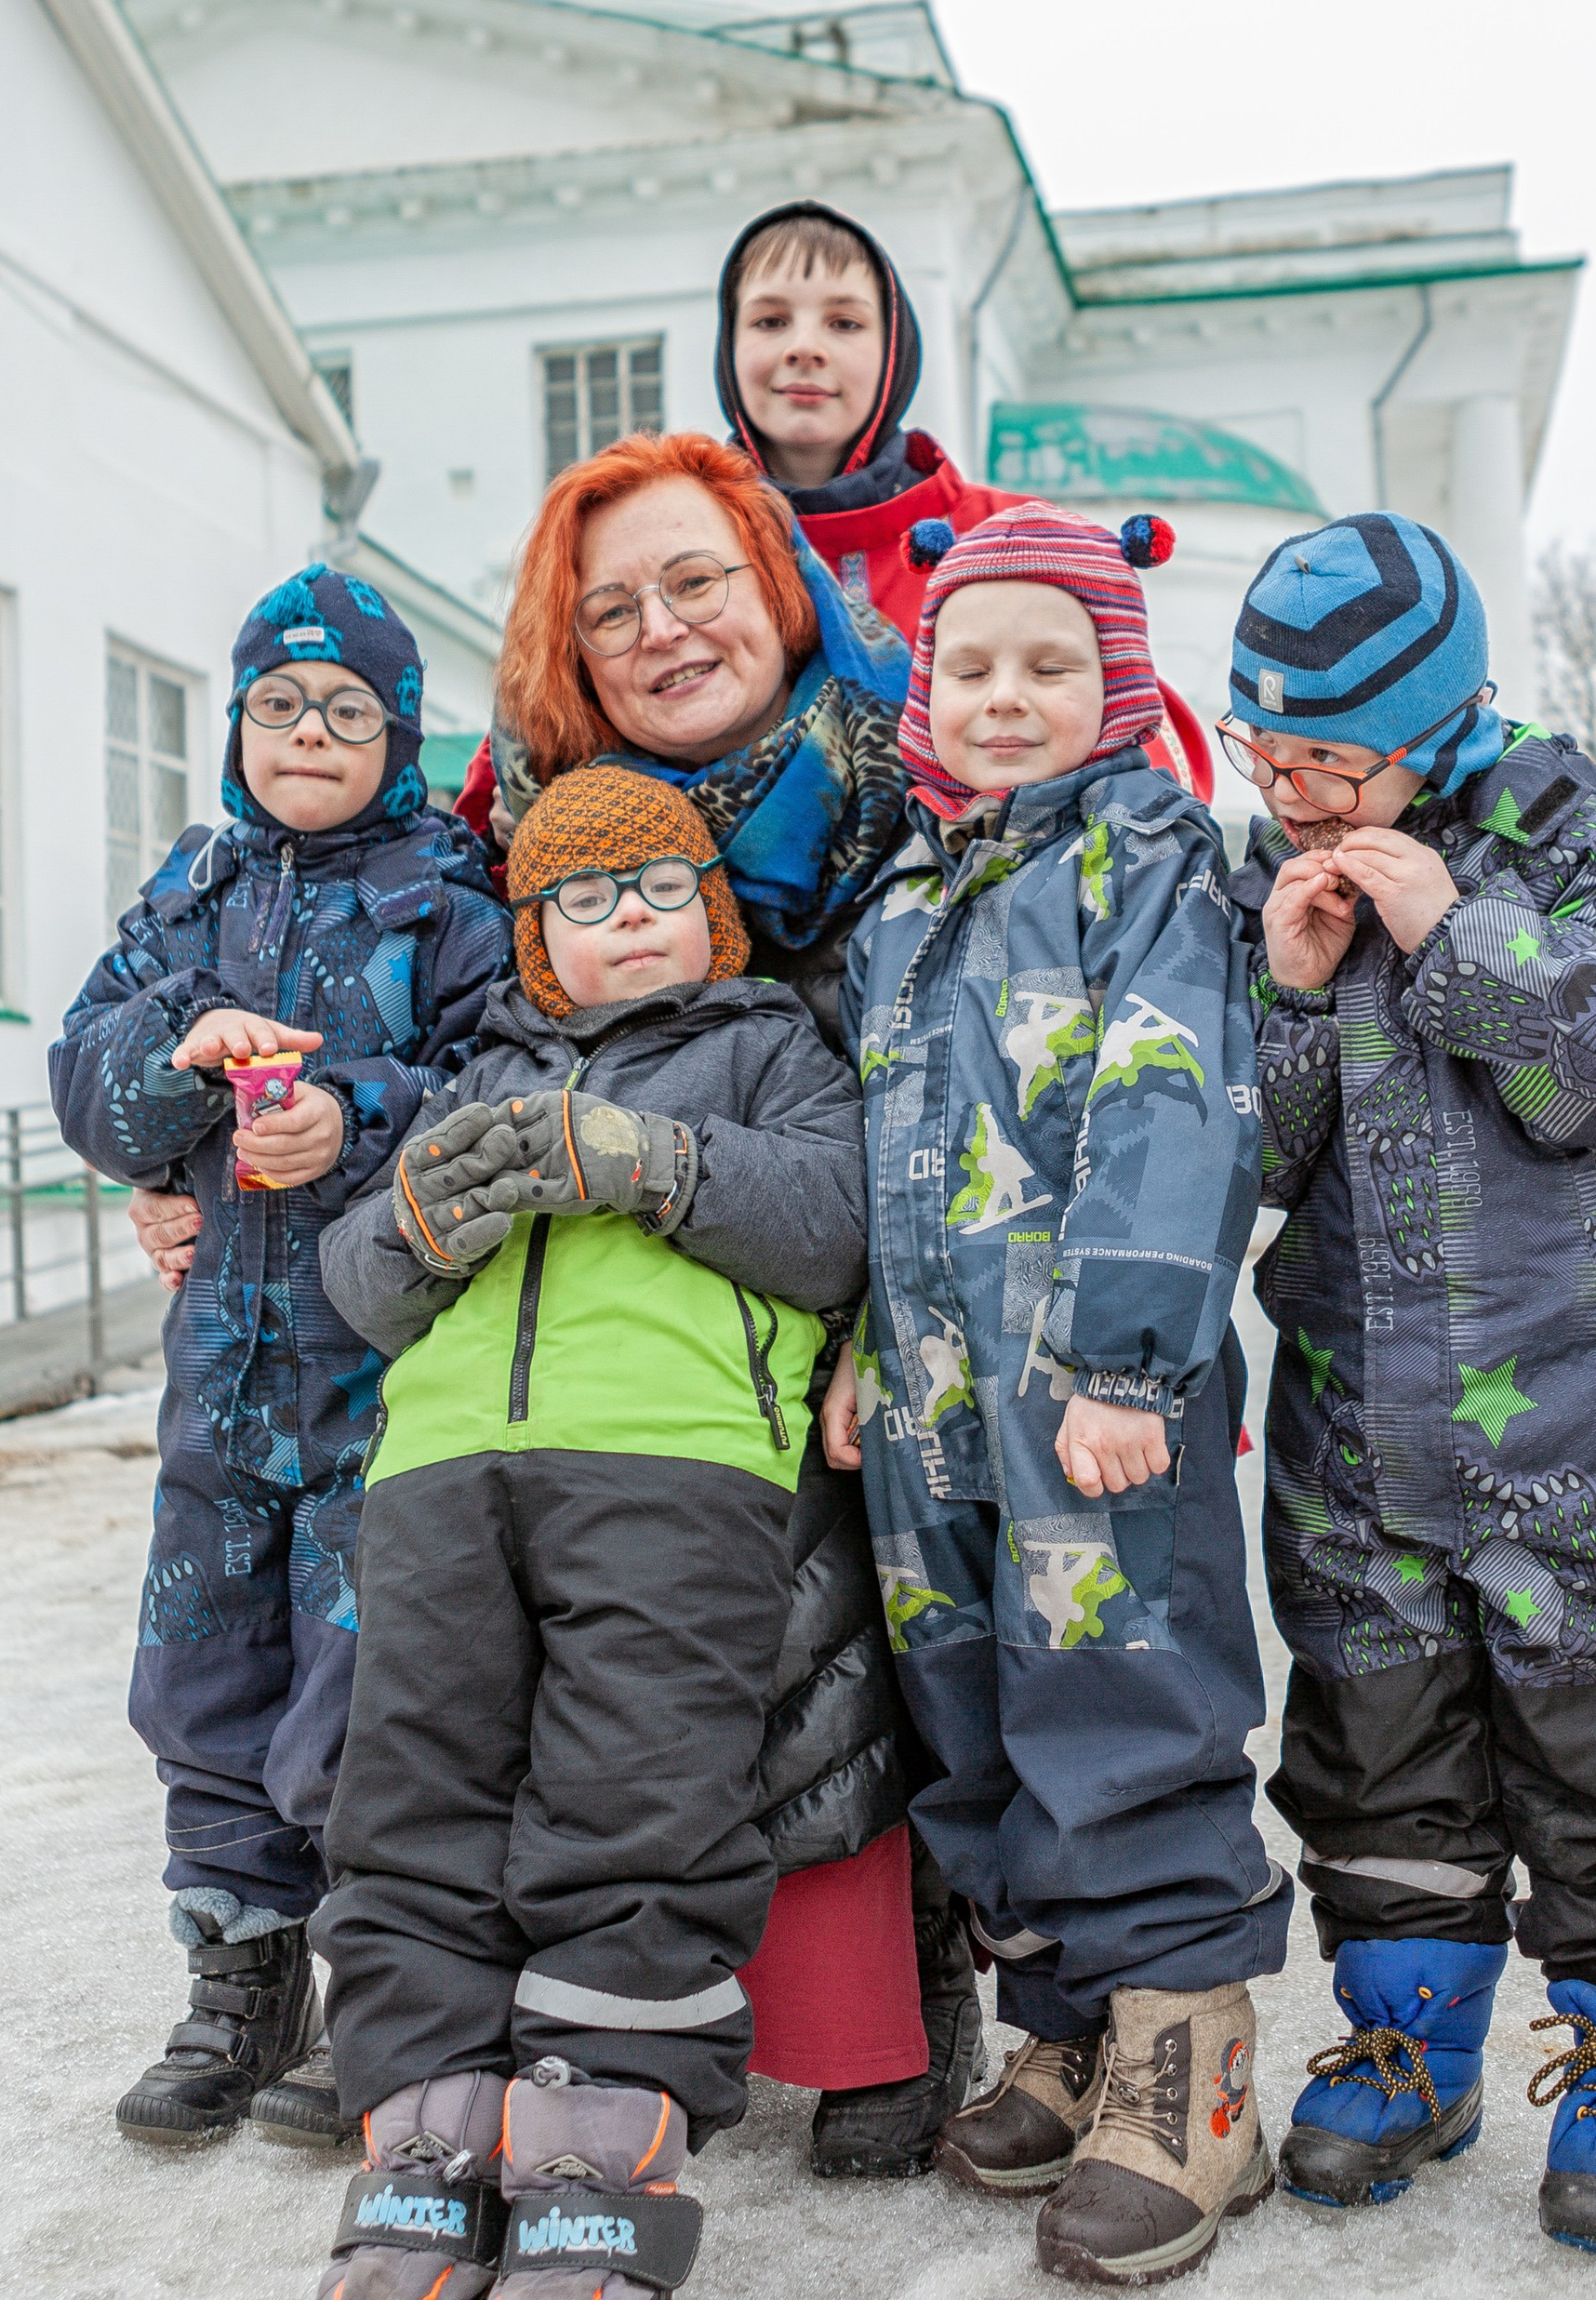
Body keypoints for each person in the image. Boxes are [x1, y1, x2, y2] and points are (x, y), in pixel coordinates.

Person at [1223, 512, 1596, 2267]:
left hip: (1586, 1432)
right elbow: (1243, 1165)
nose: (1291, 791)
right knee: (1378, 1748)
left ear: (1436, 720)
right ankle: (1410, 2039)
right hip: (1357, 1435)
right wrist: (1292, 998)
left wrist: (1453, 932)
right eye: (1266, 750)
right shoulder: (1277, 882)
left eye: (1325, 757)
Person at [459, 432, 978, 2171]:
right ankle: (591, 1999)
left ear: (777, 582)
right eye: (614, 609)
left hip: (879, 1271)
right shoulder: (542, 836)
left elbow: (975, 1098)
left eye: (699, 580)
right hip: (620, 1328)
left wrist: (875, 1322)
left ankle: (884, 1992)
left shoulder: (917, 781)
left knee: (840, 1587)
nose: (665, 628)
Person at [308, 766, 869, 2300]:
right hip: (439, 1471)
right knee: (413, 1792)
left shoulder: (769, 1049)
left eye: (662, 889)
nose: (632, 918)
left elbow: (836, 1226)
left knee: (641, 1789)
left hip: (673, 1462)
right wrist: (417, 1223)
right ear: (538, 936)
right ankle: (422, 2134)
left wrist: (657, 1165)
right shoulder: (472, 1071)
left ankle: (597, 2142)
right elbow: (358, 1285)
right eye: (586, 900)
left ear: (713, 910)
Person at [824, 499, 1291, 2287]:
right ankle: (1073, 2022)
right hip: (937, 1406)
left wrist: (1123, 1357)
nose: (1003, 696)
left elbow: (1173, 1113)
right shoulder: (911, 900)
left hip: (1098, 1399)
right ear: (923, 683)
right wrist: (872, 1336)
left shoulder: (1152, 862)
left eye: (1051, 662)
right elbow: (889, 1151)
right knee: (976, 1713)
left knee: (1124, 1699)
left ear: (1117, 678)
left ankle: (1188, 2058)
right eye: (968, 664)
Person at [49, 569, 511, 2147]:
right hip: (220, 1383)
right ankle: (238, 1975)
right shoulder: (193, 890)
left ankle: (372, 1981)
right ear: (236, 722)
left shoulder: (453, 890)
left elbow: (497, 1078)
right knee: (203, 1677)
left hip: (380, 1372)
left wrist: (356, 1121)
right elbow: (85, 1074)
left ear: (399, 730)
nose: (308, 732)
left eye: (346, 709)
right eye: (276, 704)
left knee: (361, 1681)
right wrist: (173, 1085)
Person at [713, 195, 1217, 794]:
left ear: (895, 348)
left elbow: (1140, 727)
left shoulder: (1012, 535)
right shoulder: (691, 550)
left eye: (844, 322)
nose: (804, 346)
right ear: (728, 345)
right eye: (770, 321)